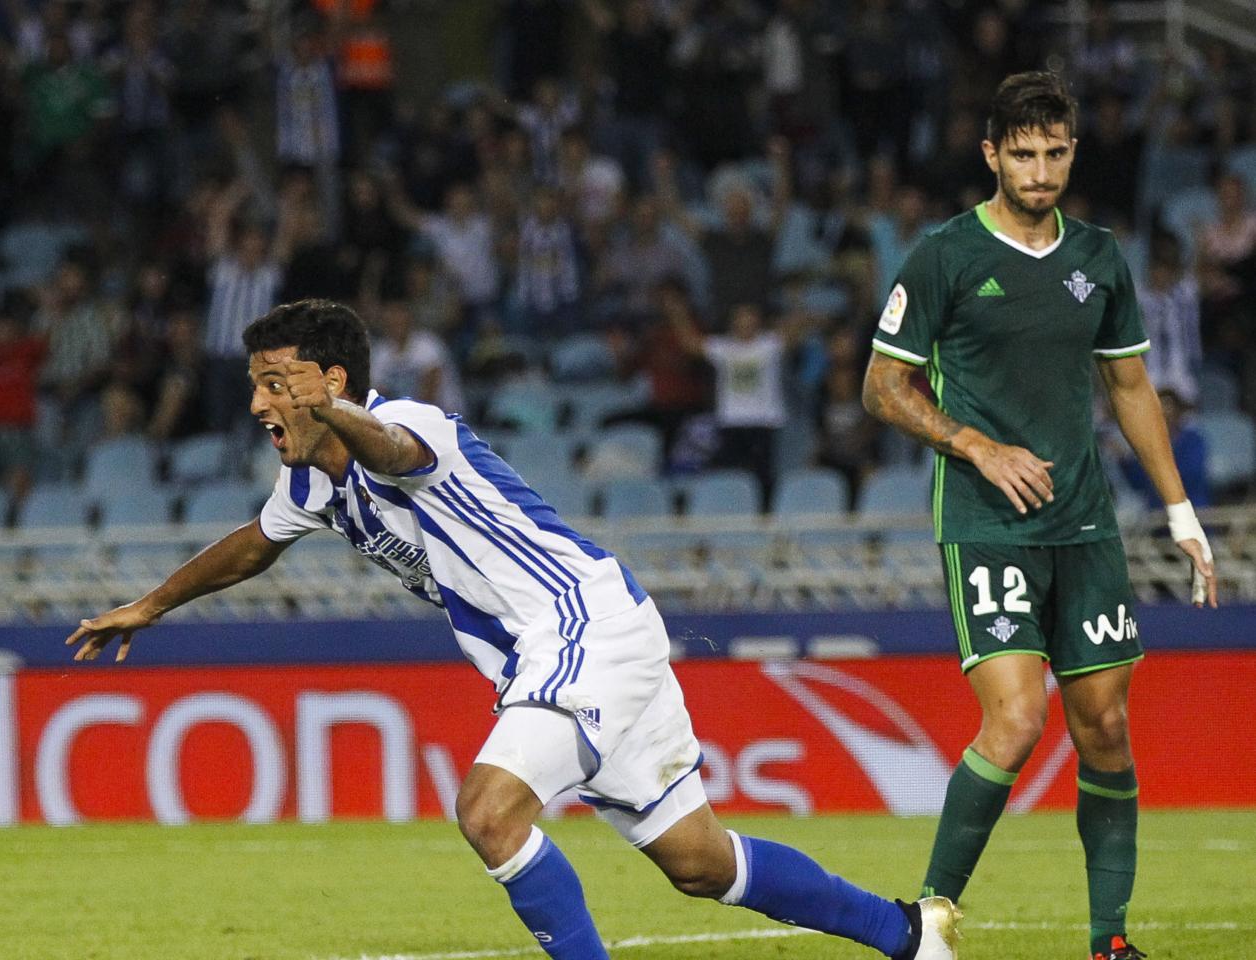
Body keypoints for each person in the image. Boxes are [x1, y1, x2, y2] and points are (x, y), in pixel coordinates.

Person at [67, 299, 959, 960]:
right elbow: (251, 547)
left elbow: (389, 451)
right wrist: (151, 604)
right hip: (582, 641)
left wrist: (336, 413)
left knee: (488, 810)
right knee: (699, 862)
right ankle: (910, 934)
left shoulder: (406, 424)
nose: (260, 406)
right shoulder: (307, 482)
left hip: (580, 624)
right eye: (254, 386)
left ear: (330, 383)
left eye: (276, 385)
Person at [860, 71, 1216, 960]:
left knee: (1104, 726)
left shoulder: (1097, 257)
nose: (1042, 170)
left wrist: (1179, 510)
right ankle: (930, 917)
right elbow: (880, 386)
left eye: (1056, 152)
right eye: (1023, 154)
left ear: (1071, 151)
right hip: (985, 519)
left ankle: (1110, 942)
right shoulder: (946, 255)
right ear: (991, 155)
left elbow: (1129, 384)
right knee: (1017, 721)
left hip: (1085, 522)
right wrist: (976, 445)